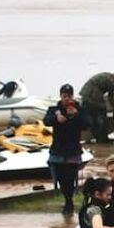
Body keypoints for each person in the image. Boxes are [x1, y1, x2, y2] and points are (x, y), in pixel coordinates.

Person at [44, 83, 89, 215]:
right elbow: (46, 120)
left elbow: (87, 125)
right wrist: (56, 119)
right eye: (64, 96)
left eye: (69, 96)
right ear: (60, 96)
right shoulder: (54, 109)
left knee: (70, 177)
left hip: (73, 150)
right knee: (60, 178)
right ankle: (67, 199)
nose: (67, 99)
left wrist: (76, 115)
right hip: (57, 150)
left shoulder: (79, 109)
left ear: (72, 96)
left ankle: (69, 202)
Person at [79, 70, 114, 145]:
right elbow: (111, 96)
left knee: (93, 118)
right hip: (92, 95)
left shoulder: (107, 76)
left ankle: (99, 137)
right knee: (102, 116)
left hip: (86, 95)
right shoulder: (110, 80)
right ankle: (102, 138)